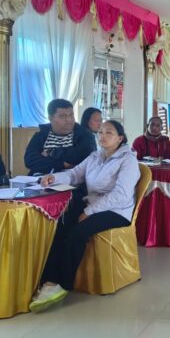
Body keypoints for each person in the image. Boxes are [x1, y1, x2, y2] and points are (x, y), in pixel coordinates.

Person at [29, 120, 140, 312]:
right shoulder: (95, 156)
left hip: (117, 211)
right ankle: (49, 279)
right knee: (60, 224)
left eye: (109, 133)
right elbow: (74, 175)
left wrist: (88, 212)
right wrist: (53, 178)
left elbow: (121, 195)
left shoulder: (128, 160)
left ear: (120, 138)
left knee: (77, 233)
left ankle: (63, 283)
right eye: (100, 132)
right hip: (93, 205)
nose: (103, 136)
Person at [24, 99, 96, 175]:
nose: (69, 120)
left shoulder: (85, 135)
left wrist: (51, 152)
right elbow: (30, 160)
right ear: (50, 118)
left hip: (71, 180)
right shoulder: (41, 134)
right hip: (37, 179)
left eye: (71, 115)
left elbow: (83, 156)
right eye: (62, 116)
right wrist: (63, 164)